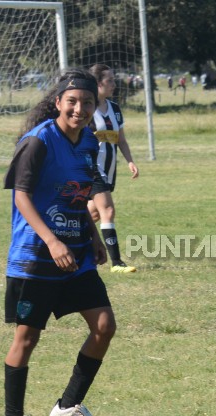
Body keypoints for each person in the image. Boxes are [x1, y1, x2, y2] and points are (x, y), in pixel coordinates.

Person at [0, 68, 116, 416]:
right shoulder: (39, 141)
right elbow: (21, 197)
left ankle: (68, 406)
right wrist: (52, 240)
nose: (79, 109)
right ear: (58, 103)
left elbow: (77, 194)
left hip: (77, 254)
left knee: (104, 326)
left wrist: (94, 235)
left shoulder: (89, 143)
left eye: (87, 103)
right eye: (72, 102)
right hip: (36, 254)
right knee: (27, 338)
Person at [88, 64, 139, 273]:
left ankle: (62, 238)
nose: (114, 84)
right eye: (109, 80)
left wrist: (130, 161)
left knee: (91, 214)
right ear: (98, 84)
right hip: (91, 169)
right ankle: (117, 263)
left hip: (109, 170)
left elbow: (122, 140)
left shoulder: (115, 109)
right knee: (108, 210)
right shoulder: (87, 110)